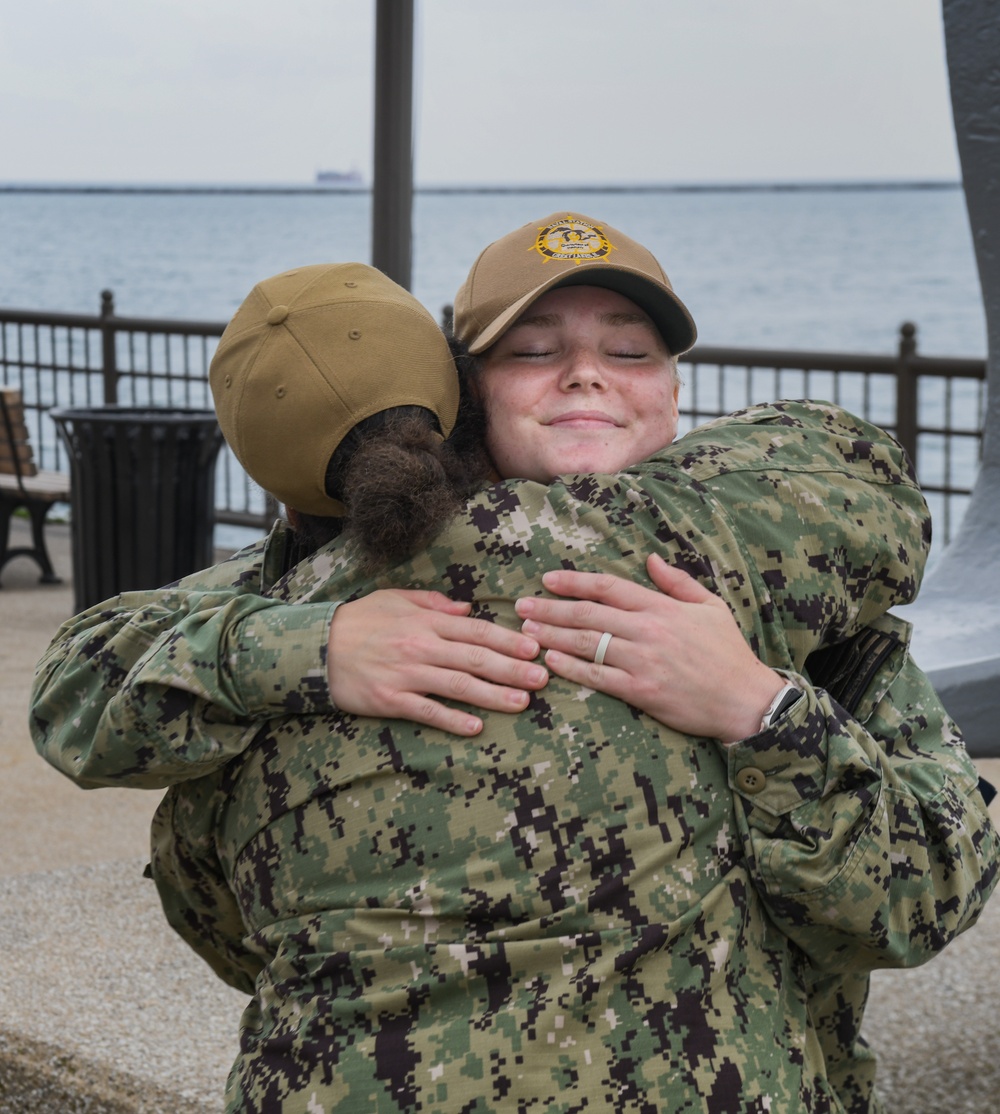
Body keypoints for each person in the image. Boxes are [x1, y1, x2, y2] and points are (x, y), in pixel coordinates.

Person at [31, 220, 997, 1111]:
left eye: (630, 351)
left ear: (672, 389)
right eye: (533, 352)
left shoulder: (793, 600)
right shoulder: (307, 592)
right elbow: (101, 705)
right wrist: (312, 649)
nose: (587, 376)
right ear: (460, 395)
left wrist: (760, 712)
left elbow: (927, 897)